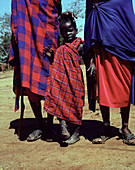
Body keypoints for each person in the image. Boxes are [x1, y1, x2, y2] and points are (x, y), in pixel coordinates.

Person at [9, 0, 62, 141]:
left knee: (51, 81)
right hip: (27, 36)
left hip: (48, 31)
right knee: (30, 80)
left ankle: (50, 124)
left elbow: (57, 5)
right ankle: (40, 125)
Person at [84, 0, 135, 145]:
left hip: (122, 47)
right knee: (103, 88)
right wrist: (91, 58)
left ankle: (125, 128)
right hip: (101, 50)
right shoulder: (92, 2)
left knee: (124, 88)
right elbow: (90, 25)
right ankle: (106, 127)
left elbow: (128, 16)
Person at [44, 11, 94, 144]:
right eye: (64, 32)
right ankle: (62, 125)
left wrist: (92, 64)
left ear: (76, 30)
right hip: (63, 82)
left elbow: (87, 58)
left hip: (76, 81)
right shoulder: (61, 49)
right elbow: (59, 64)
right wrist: (51, 57)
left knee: (77, 104)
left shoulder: (80, 46)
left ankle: (76, 133)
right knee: (59, 100)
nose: (68, 34)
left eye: (70, 30)